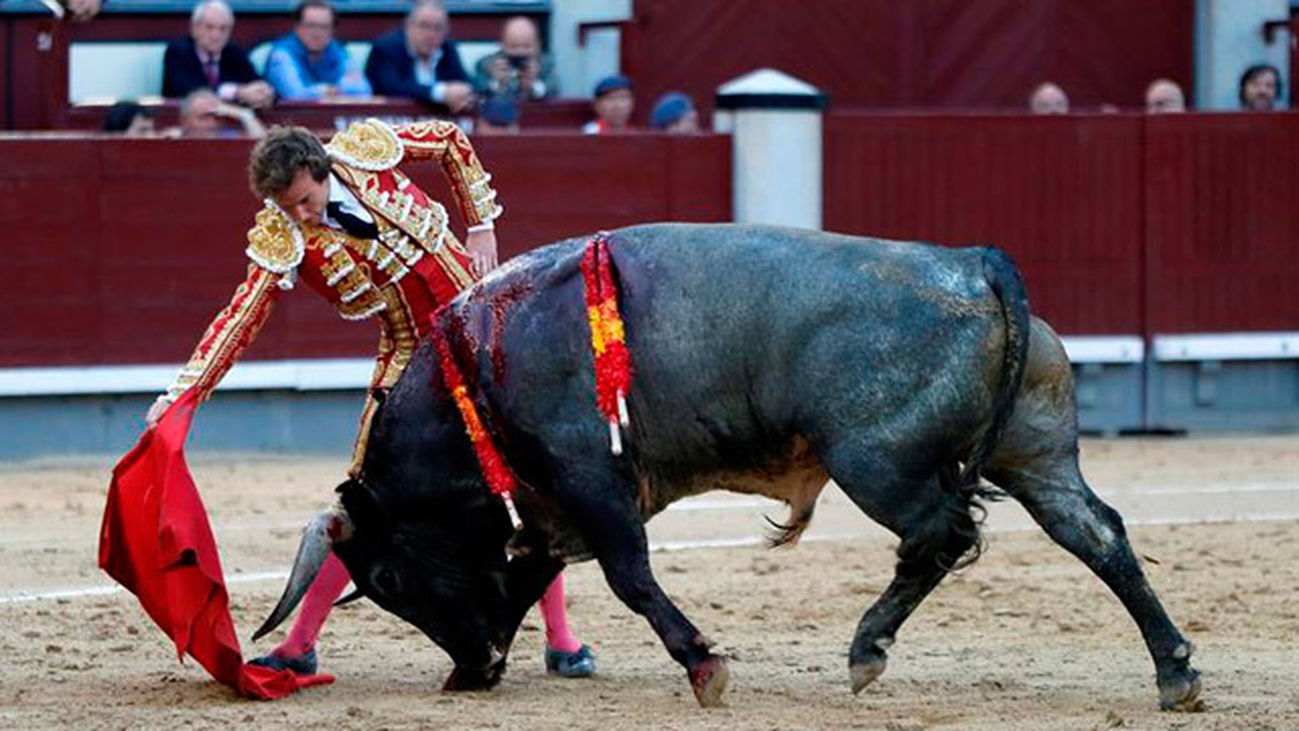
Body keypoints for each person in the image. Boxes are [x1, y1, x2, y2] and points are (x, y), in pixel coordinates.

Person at [143, 120, 594, 679]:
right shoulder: (283, 236)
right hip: (411, 354)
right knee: (364, 499)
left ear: (320, 170)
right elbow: (242, 314)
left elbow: (451, 140)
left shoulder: (367, 150)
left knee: (527, 480)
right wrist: (184, 394)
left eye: (305, 201)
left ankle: (562, 637)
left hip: (486, 328)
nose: (301, 217)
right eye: (289, 209)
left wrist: (481, 226)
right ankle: (300, 642)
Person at [162, 0, 275, 109]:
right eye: (209, 27)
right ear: (194, 28)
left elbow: (254, 81)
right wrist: (237, 92)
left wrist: (263, 92)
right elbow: (191, 93)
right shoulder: (178, 51)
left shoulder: (233, 52)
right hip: (183, 122)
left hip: (231, 122)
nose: (216, 36)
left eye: (223, 29)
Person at [365, 0, 473, 113]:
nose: (430, 34)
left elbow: (462, 82)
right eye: (424, 26)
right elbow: (390, 87)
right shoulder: (385, 48)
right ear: (408, 26)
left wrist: (464, 93)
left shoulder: (447, 49)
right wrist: (440, 93)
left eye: (438, 28)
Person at [265, 0, 371, 101]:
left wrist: (323, 91)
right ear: (297, 26)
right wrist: (333, 89)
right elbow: (295, 95)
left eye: (324, 27)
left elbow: (363, 90)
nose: (317, 33)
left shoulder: (337, 51)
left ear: (333, 30)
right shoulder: (282, 55)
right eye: (310, 26)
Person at [473, 16, 557, 101]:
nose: (520, 52)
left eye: (526, 46)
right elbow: (477, 92)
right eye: (513, 46)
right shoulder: (486, 65)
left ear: (537, 46)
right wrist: (497, 83)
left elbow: (553, 91)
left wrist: (534, 85)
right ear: (502, 46)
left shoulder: (545, 65)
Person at [174, 88, 267, 138]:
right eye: (203, 118)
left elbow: (262, 147)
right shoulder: (174, 138)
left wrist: (245, 116)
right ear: (185, 121)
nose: (211, 123)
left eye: (216, 117)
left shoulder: (228, 137)